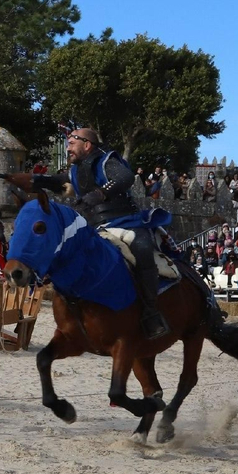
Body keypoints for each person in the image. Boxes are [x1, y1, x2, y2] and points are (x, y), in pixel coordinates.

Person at [30, 127, 172, 339]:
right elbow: (58, 180)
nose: (68, 148)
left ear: (87, 145)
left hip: (125, 222)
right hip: (94, 226)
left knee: (142, 249)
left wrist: (99, 194)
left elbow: (125, 177)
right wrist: (33, 179)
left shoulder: (106, 161)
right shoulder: (76, 170)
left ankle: (151, 312)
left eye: (72, 143)